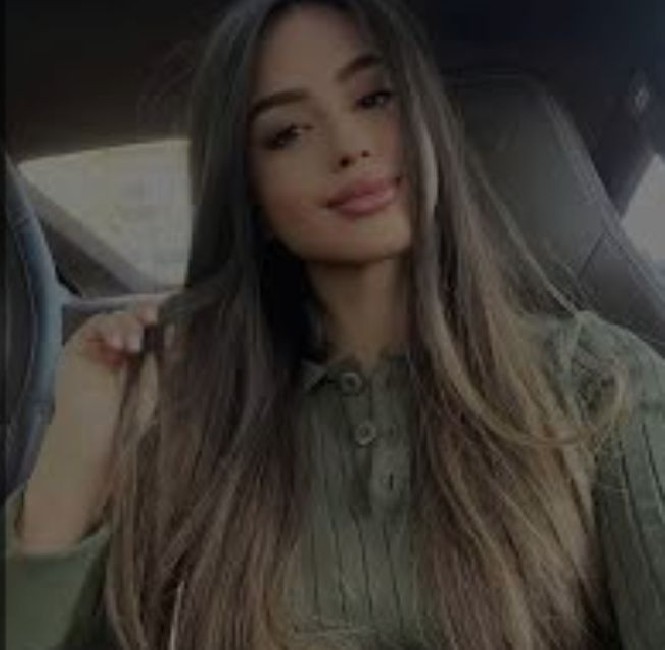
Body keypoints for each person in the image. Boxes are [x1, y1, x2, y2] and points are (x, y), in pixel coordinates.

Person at [5, 0, 665, 648]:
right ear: (253, 197)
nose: (349, 146)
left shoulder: (603, 385)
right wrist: (72, 463)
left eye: (374, 98)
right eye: (287, 133)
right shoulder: (192, 432)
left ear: (428, 121)